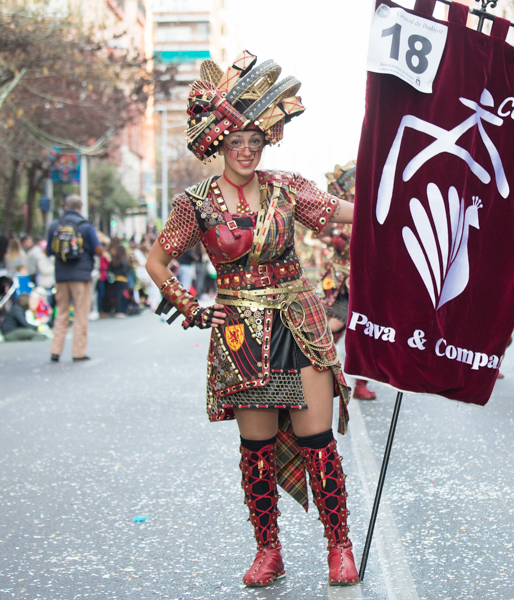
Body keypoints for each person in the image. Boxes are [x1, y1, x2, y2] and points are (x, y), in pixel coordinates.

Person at [144, 51, 359, 587]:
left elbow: (339, 212)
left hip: (298, 321)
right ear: (218, 143)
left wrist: (397, 197)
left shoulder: (286, 187)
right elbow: (155, 259)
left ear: (266, 142)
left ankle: (340, 546)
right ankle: (269, 550)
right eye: (235, 142)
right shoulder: (195, 202)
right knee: (257, 450)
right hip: (241, 332)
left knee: (318, 441)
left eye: (254, 142)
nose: (244, 151)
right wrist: (190, 307)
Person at [319, 161, 377, 401]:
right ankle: (325, 374)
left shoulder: (373, 204)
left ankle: (360, 383)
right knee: (334, 326)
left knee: (366, 332)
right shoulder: (336, 206)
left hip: (367, 278)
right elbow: (320, 230)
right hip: (342, 278)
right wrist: (335, 239)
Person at [46, 195, 102, 362]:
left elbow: (48, 250)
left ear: (65, 206)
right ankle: (78, 352)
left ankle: (55, 350)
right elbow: (97, 248)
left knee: (61, 312)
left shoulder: (55, 225)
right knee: (80, 313)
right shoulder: (85, 226)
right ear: (80, 207)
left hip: (61, 275)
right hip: (81, 276)